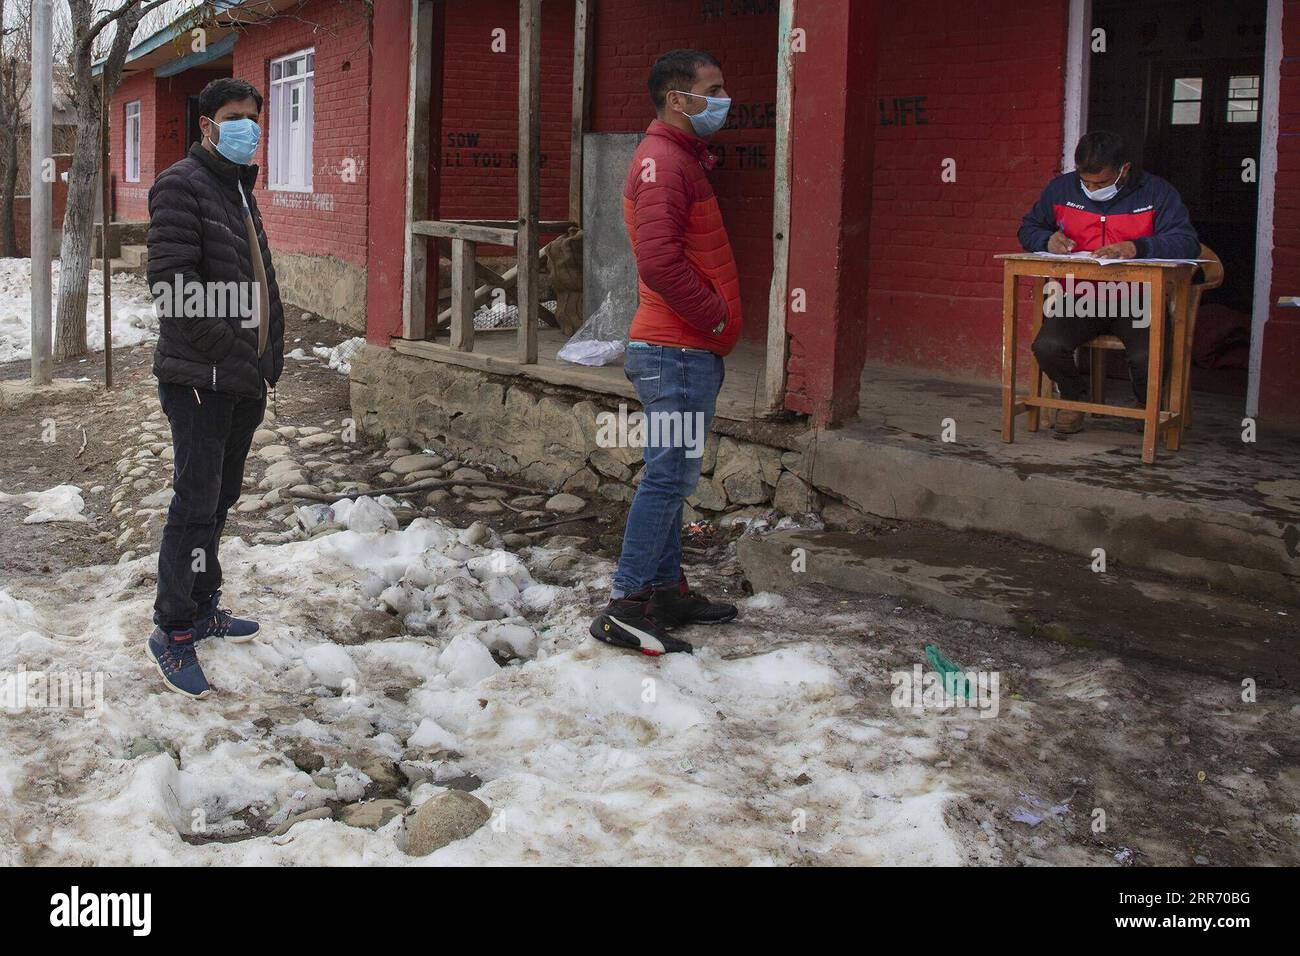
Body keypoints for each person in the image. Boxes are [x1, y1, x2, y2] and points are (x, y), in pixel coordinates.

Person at [588, 49, 742, 656]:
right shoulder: (661, 162)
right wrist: (715, 316)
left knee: (673, 474)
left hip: (684, 348)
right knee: (668, 475)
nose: (725, 100)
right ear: (680, 99)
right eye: (716, 88)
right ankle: (625, 606)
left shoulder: (680, 158)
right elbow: (658, 261)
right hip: (675, 349)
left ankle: (666, 590)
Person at [145, 77, 284, 698]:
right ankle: (172, 630)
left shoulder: (235, 188)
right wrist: (235, 355)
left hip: (241, 382)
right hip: (200, 380)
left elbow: (253, 280)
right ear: (207, 126)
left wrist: (267, 358)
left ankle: (203, 605)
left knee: (219, 502)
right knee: (194, 505)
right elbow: (174, 292)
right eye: (234, 118)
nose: (247, 129)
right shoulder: (181, 186)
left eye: (254, 118)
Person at [1018, 130, 1200, 433]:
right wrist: (1046, 240)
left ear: (1124, 169)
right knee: (1047, 346)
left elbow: (1186, 242)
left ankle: (1147, 406)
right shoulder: (1061, 190)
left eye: (1100, 183)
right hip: (1081, 295)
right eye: (1085, 181)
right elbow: (1028, 228)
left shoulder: (1156, 192)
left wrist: (1137, 247)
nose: (1091, 188)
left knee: (1147, 355)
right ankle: (1074, 399)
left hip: (1139, 299)